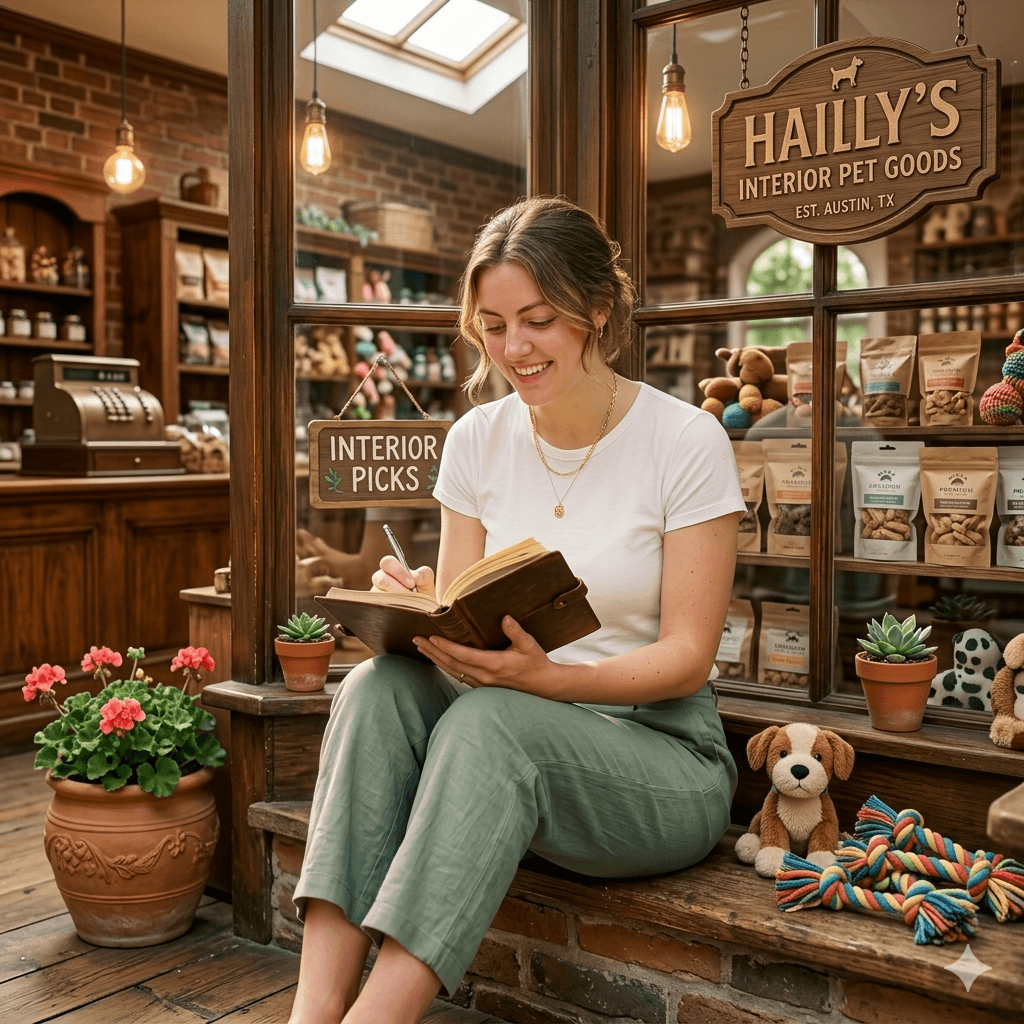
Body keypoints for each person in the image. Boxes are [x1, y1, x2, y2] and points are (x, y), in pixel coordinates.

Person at [288, 196, 746, 1024]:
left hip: (660, 756)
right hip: (507, 727)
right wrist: (418, 607)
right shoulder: (476, 439)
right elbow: (464, 624)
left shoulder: (684, 441)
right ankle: (312, 1013)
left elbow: (688, 656)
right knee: (372, 689)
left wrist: (548, 683)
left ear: (596, 310)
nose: (514, 349)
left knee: (489, 723)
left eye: (537, 320)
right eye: (494, 326)